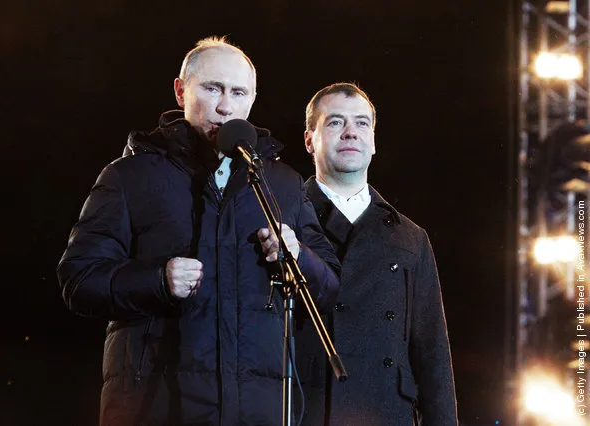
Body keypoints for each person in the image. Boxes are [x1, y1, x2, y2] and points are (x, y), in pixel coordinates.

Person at [56, 37, 341, 426]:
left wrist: (300, 257)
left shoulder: (283, 184)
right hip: (154, 408)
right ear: (180, 91)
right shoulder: (129, 176)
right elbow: (79, 279)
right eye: (212, 88)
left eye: (238, 93)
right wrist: (157, 279)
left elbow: (329, 287)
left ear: (251, 101)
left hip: (259, 412)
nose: (225, 106)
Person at [296, 82, 457, 425]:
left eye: (362, 123)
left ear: (373, 142)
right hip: (306, 410)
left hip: (386, 412)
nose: (351, 133)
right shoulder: (282, 221)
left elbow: (432, 355)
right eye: (336, 122)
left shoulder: (411, 238)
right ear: (310, 139)